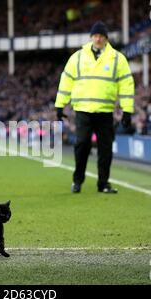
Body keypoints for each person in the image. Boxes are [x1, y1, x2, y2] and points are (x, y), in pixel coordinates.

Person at [55, 21, 135, 194]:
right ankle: (77, 181)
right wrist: (60, 105)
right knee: (82, 144)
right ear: (91, 37)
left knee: (105, 148)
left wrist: (127, 110)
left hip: (105, 112)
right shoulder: (77, 57)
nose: (98, 39)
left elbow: (126, 84)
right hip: (83, 110)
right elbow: (66, 80)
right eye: (96, 35)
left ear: (106, 38)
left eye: (101, 36)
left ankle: (103, 183)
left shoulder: (117, 59)